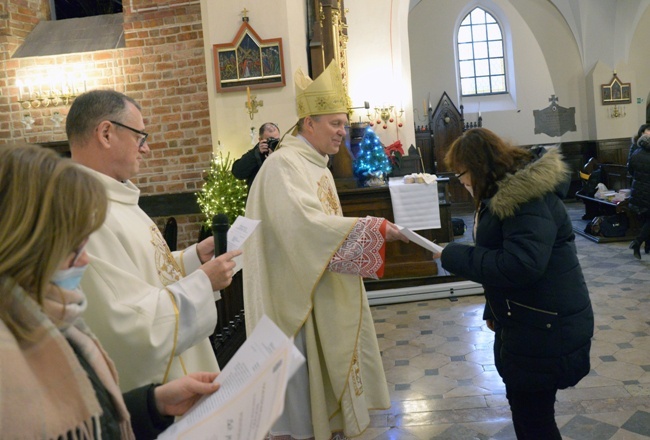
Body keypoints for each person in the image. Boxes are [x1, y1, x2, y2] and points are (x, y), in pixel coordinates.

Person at [0, 144, 220, 439]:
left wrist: (152, 405)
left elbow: (91, 421)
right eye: (71, 246)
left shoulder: (59, 319)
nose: (85, 260)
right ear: (25, 241)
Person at [242, 61, 409, 440]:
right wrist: (375, 228)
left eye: (344, 123)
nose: (342, 131)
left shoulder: (316, 165)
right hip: (294, 301)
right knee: (303, 413)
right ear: (308, 123)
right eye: (335, 123)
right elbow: (306, 229)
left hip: (316, 286)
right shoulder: (285, 166)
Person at [66, 89, 242, 392]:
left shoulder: (115, 198)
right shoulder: (83, 212)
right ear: (106, 134)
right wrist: (203, 283)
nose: (145, 149)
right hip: (156, 395)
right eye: (139, 136)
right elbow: (125, 324)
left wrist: (192, 259)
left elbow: (136, 274)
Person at [434, 128, 594, 440]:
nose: (461, 181)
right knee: (528, 413)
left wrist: (454, 256)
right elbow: (502, 258)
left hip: (546, 324)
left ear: (478, 168)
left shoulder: (524, 198)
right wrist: (493, 310)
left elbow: (521, 265)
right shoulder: (501, 193)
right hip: (529, 320)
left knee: (534, 421)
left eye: (461, 173)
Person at [232, 122, 281, 187]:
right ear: (260, 140)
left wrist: (275, 157)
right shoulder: (254, 154)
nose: (274, 142)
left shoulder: (283, 152)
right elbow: (237, 172)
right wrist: (256, 155)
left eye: (276, 140)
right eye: (270, 140)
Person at [627, 130, 650, 259]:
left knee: (647, 220)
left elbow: (631, 171)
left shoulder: (636, 153)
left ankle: (647, 246)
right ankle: (637, 242)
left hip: (637, 192)